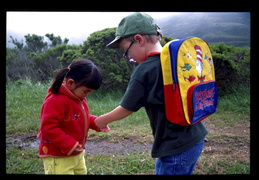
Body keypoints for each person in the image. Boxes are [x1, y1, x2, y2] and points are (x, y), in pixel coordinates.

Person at [95, 12, 208, 175]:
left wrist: (102, 120)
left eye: (126, 52)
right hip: (194, 136)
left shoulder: (145, 70)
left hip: (174, 145)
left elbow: (127, 107)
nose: (129, 58)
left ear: (138, 39)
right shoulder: (175, 59)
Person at [37, 59, 110, 174]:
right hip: (59, 156)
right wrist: (69, 145)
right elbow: (48, 128)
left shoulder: (78, 98)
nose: (87, 95)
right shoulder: (55, 101)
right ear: (71, 83)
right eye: (86, 91)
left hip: (76, 152)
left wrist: (96, 122)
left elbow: (80, 117)